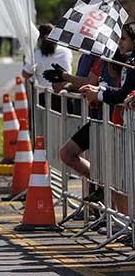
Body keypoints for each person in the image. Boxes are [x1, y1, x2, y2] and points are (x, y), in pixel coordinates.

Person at [46, 23, 135, 207]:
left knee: (118, 178)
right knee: (68, 154)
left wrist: (100, 92)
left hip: (118, 123)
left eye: (123, 39)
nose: (119, 43)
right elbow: (88, 82)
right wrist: (66, 78)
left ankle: (120, 223)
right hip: (99, 120)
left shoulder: (125, 60)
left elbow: (121, 92)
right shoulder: (101, 58)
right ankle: (108, 205)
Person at [22, 23, 73, 111]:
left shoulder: (36, 54)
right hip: (64, 94)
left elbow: (25, 74)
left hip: (44, 97)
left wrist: (26, 60)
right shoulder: (66, 51)